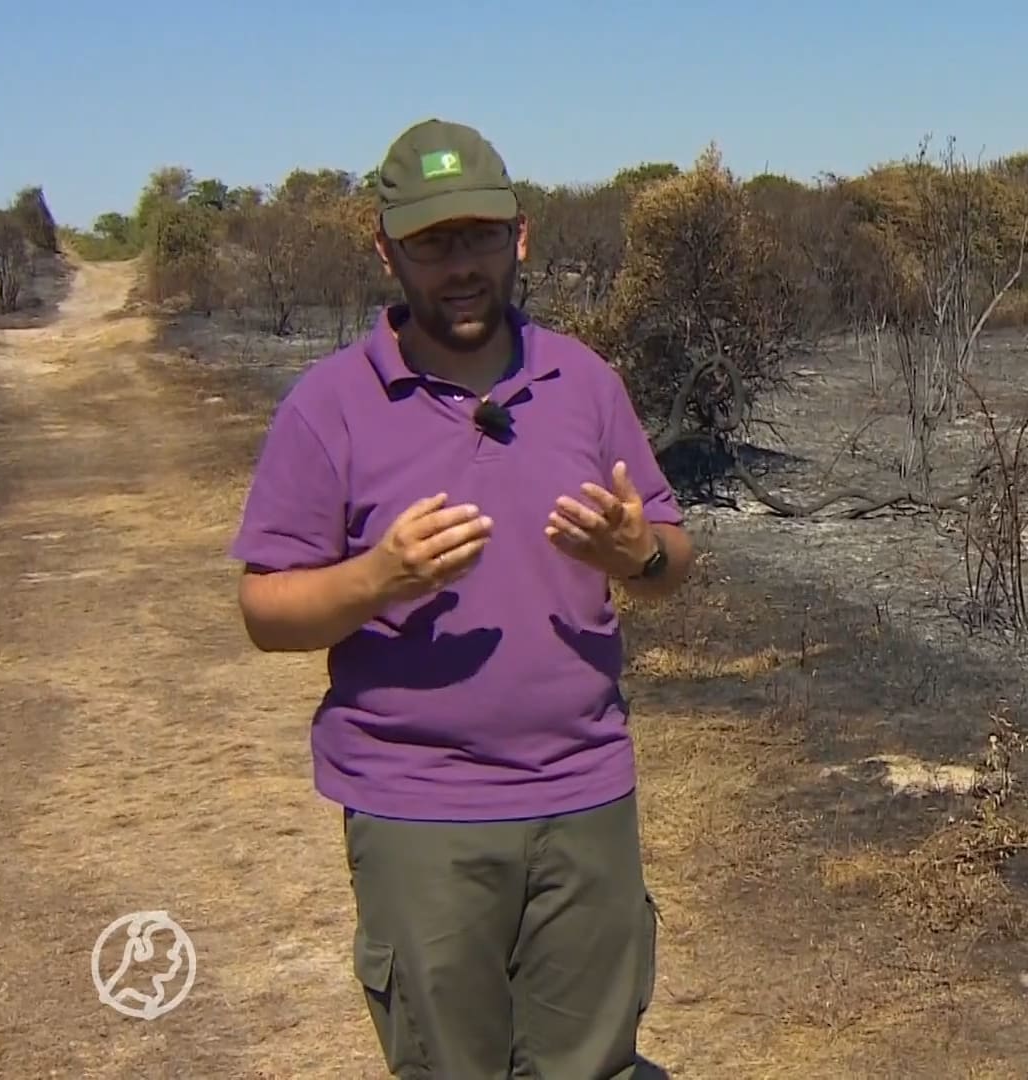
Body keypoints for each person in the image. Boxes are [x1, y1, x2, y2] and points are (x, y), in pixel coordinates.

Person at [228, 117, 693, 1079]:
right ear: (387, 250)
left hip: (585, 792)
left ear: (520, 236)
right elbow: (265, 611)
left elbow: (672, 557)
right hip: (419, 808)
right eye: (433, 244)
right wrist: (379, 578)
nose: (461, 266)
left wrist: (640, 555)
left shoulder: (584, 381)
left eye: (479, 236)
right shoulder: (330, 406)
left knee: (594, 1066)